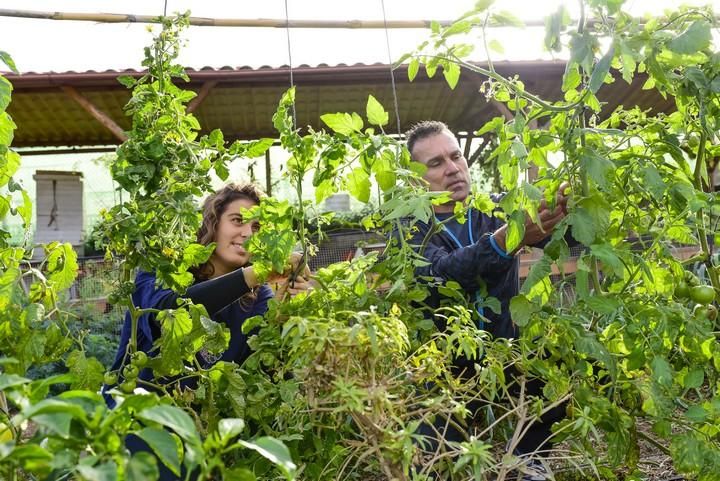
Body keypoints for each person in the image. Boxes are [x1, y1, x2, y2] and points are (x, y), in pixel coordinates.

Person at [102, 182, 310, 480]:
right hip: (137, 408)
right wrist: (256, 273)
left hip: (201, 424)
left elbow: (256, 367)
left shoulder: (257, 298)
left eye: (258, 227)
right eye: (237, 221)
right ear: (212, 223)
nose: (248, 233)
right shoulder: (164, 267)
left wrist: (284, 314)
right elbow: (169, 315)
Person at [405, 121, 570, 479]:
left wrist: (559, 211)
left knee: (559, 365)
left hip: (503, 351)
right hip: (444, 366)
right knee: (432, 464)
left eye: (456, 156)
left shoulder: (496, 210)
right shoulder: (411, 227)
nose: (451, 168)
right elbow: (442, 272)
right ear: (416, 180)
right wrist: (505, 239)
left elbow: (559, 238)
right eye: (435, 164)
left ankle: (528, 458)